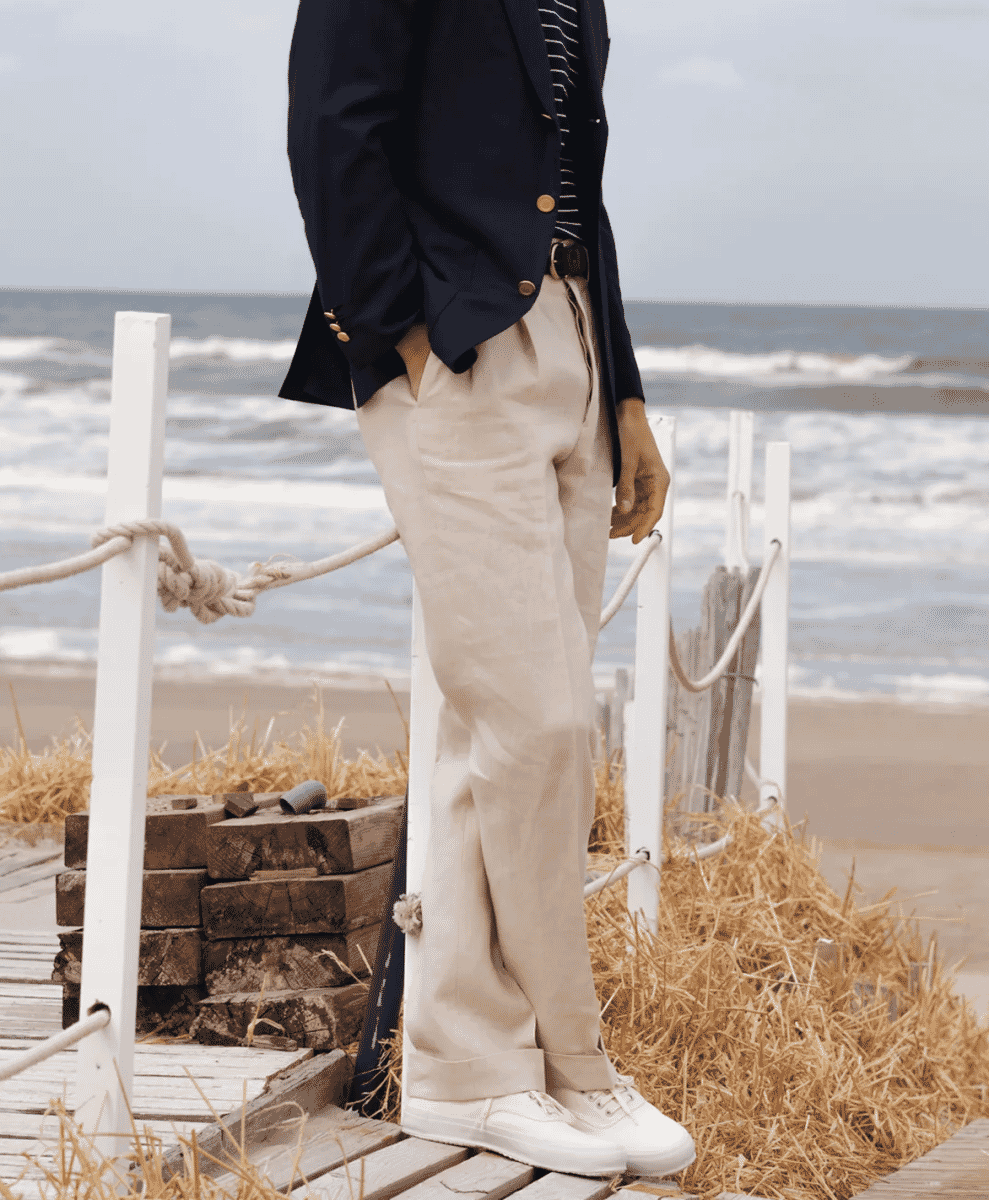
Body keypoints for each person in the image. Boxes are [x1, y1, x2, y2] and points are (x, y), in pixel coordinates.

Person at [278, 0, 696, 1181]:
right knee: (539, 722)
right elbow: (329, 131)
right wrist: (399, 336)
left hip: (568, 346)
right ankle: (575, 1065)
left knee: (499, 741)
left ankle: (469, 1075)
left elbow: (579, 183)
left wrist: (621, 393)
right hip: (454, 347)